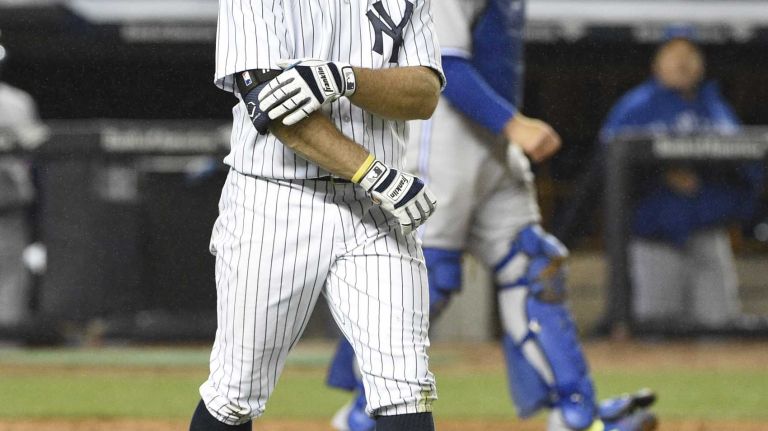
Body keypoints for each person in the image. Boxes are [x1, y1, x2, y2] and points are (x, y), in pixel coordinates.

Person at [326, 1, 658, 431]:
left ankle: (576, 414)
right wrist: (513, 124)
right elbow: (442, 62)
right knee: (422, 283)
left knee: (534, 263)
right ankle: (365, 416)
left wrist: (505, 128)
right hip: (439, 137)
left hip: (492, 141)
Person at [189, 1, 446, 430]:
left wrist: (344, 77)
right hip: (273, 201)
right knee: (236, 392)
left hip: (374, 215)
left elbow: (423, 93)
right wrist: (375, 175)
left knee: (406, 388)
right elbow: (272, 108)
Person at [599, 31, 764, 329]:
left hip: (708, 233)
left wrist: (720, 198)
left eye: (689, 55)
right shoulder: (636, 107)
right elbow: (606, 170)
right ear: (657, 63)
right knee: (656, 328)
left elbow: (747, 166)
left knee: (720, 326)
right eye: (673, 55)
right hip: (655, 238)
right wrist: (662, 172)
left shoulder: (715, 108)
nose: (682, 63)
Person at [0, 36, 45, 330]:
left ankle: (9, 330)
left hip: (8, 197)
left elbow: (37, 144)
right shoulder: (16, 100)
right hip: (10, 195)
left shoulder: (16, 101)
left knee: (11, 265)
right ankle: (8, 331)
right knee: (8, 267)